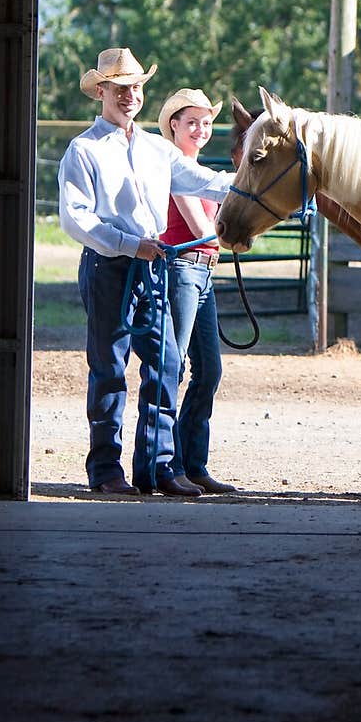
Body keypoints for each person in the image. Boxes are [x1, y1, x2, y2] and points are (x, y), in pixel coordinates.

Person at [57, 47, 234, 497]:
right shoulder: (84, 150)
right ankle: (106, 471)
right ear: (101, 91)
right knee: (110, 367)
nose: (129, 96)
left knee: (166, 362)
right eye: (119, 89)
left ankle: (156, 468)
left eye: (135, 88)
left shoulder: (158, 150)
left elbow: (206, 180)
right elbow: (76, 218)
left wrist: (262, 184)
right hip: (110, 267)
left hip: (150, 267)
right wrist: (129, 244)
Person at [157, 87, 236, 494]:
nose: (201, 129)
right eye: (192, 122)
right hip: (184, 268)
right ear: (174, 125)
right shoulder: (176, 169)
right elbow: (202, 228)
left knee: (208, 369)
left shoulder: (201, 172)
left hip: (203, 272)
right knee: (178, 365)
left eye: (206, 123)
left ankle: (193, 462)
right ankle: (169, 464)